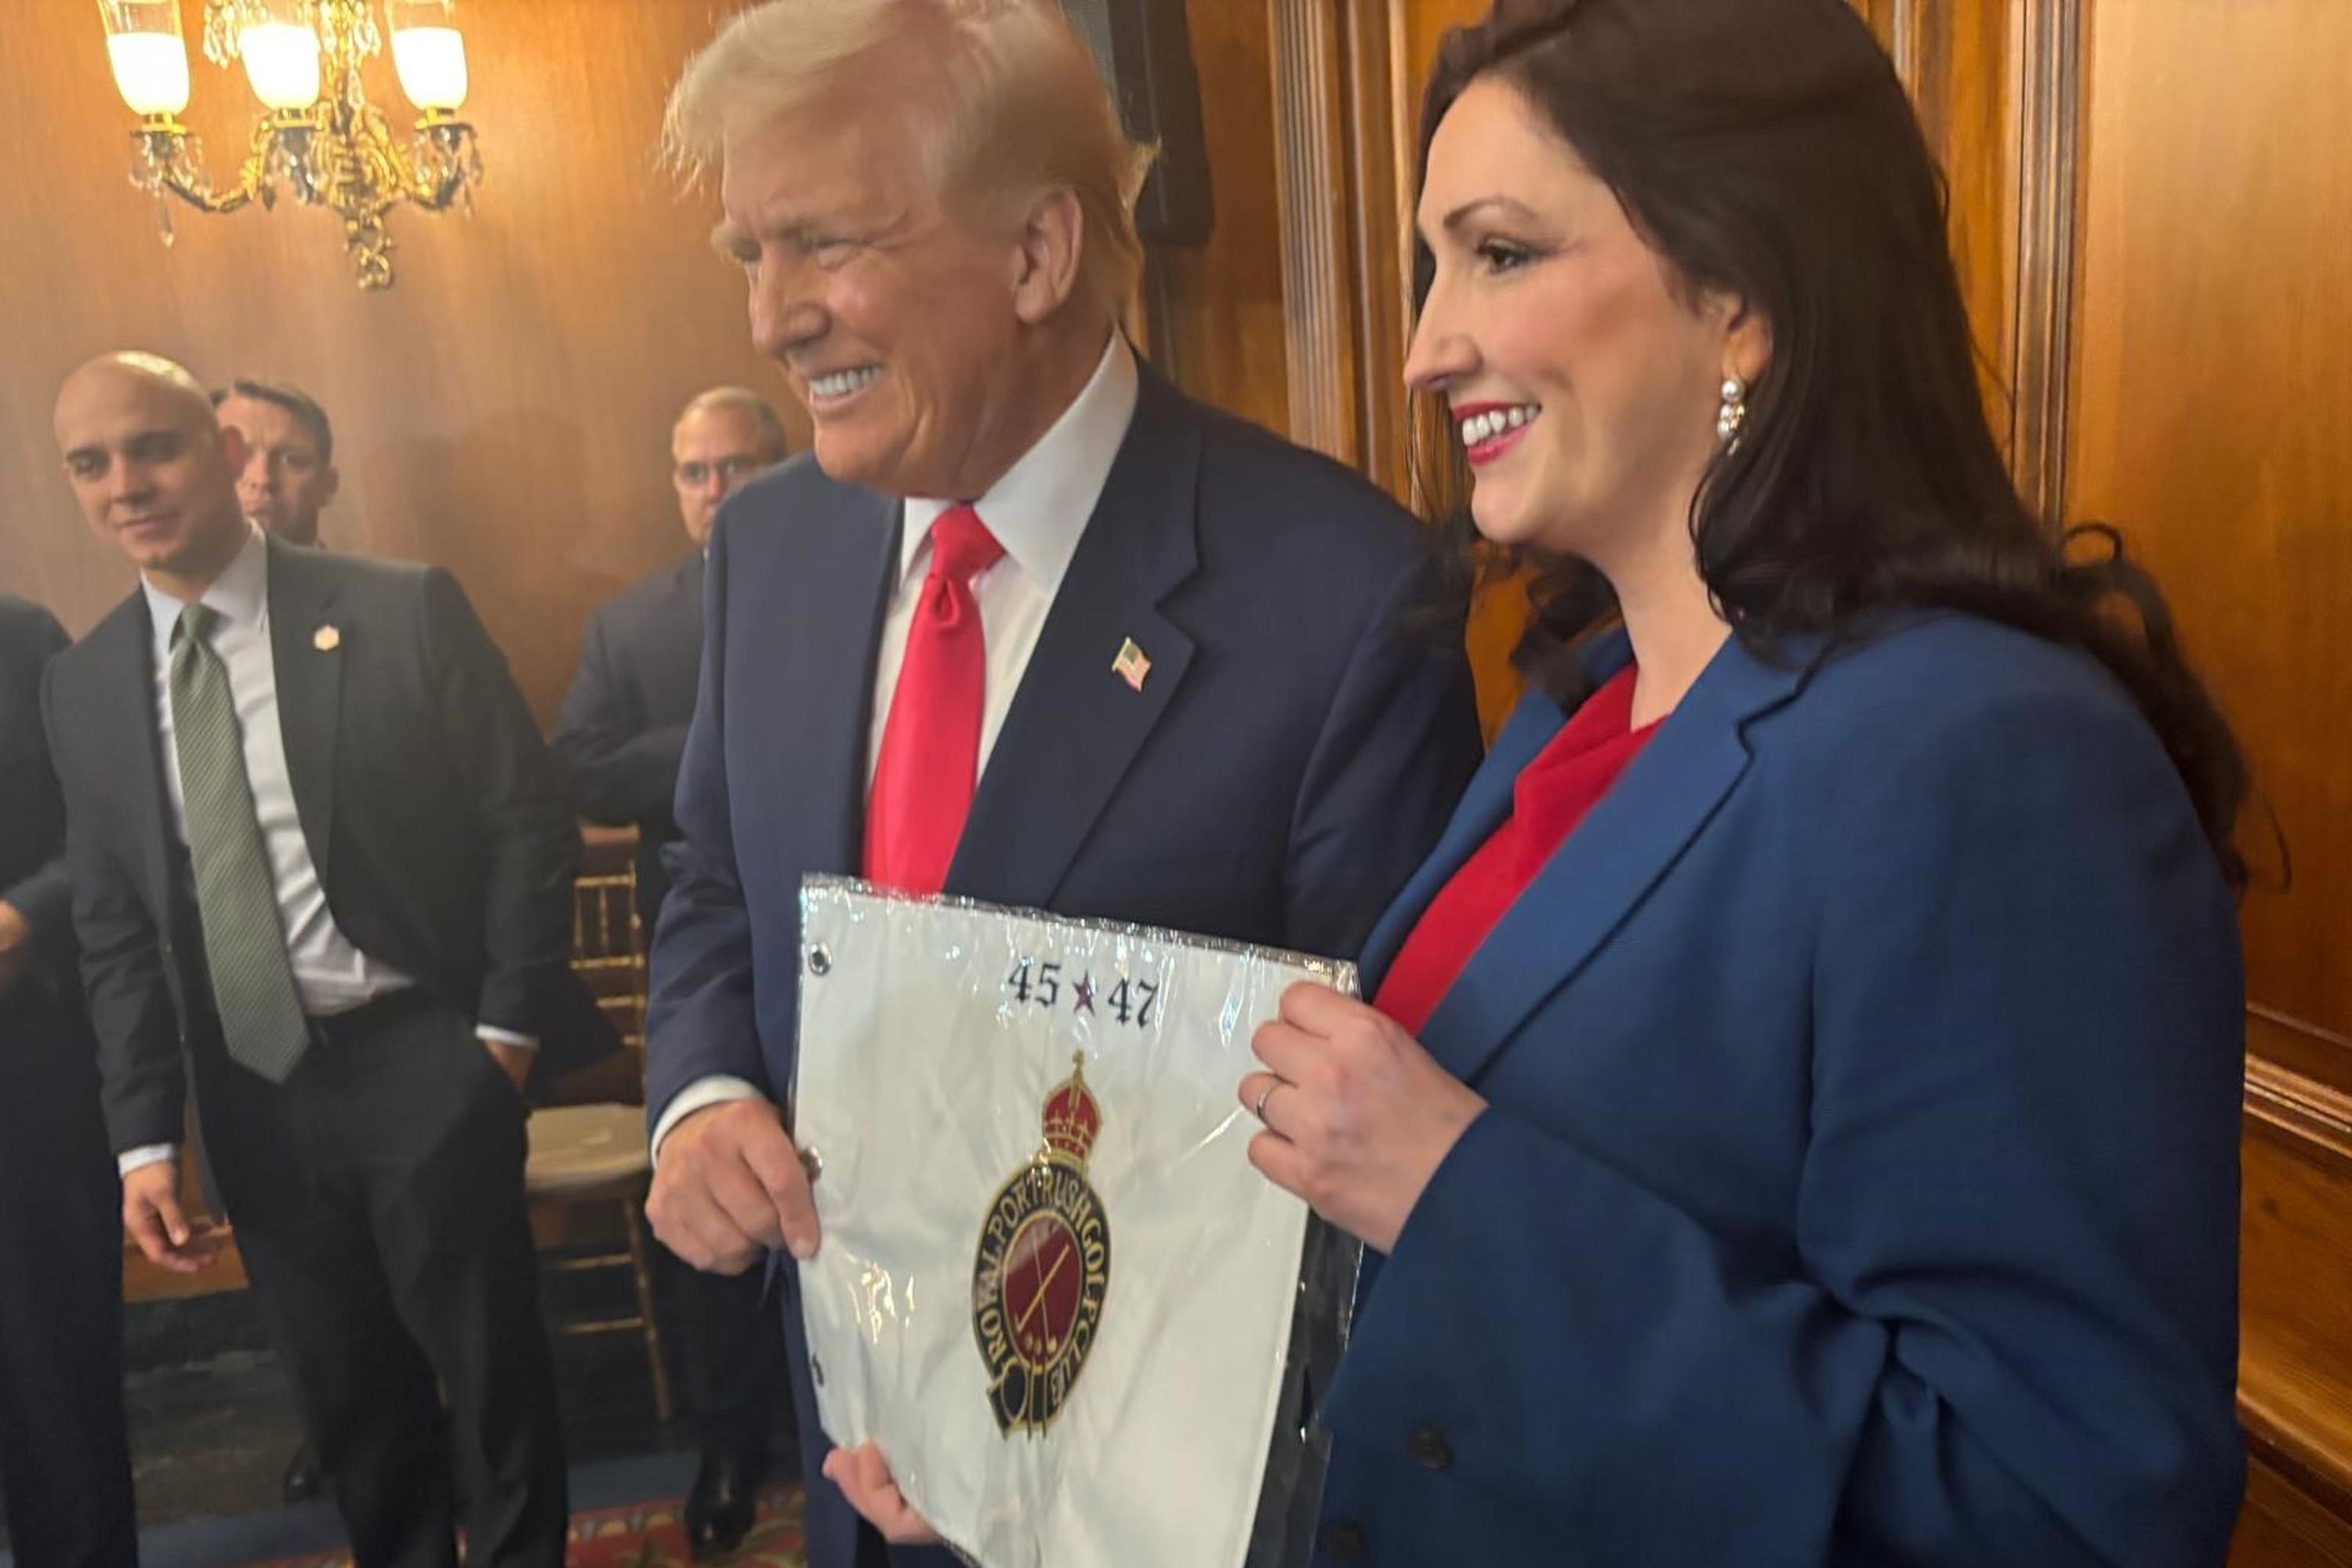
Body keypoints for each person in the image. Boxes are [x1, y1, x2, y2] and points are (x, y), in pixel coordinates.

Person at [1230, 2, 2251, 1564]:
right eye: (1433, 266)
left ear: (1744, 296)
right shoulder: (1575, 700)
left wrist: (1463, 1194)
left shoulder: (1993, 760)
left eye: (1499, 253)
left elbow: (2061, 1512)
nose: (1430, 344)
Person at [637, 2, 1483, 1564]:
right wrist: (701, 1097)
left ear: (1035, 254)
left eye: (822, 243)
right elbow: (709, 877)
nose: (771, 317)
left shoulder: (1340, 594)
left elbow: (1361, 1145)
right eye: (745, 252)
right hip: (845, 1442)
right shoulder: (770, 547)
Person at [44, 352, 615, 1568]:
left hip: (425, 1057)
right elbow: (110, 925)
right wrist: (146, 1139)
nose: (125, 485)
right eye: (89, 464)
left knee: (494, 1386)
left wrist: (502, 1039)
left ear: (226, 454)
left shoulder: (397, 606)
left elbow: (528, 819)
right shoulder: (84, 685)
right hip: (253, 1094)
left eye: (153, 447)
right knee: (352, 1404)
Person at [551, 386, 793, 1558]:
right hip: (707, 954)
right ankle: (729, 1439)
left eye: (737, 467)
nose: (715, 493)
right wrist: (725, 737)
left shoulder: (839, 580)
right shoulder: (630, 623)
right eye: (695, 472)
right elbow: (582, 769)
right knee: (712, 1199)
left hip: (851, 944)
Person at [0, 594, 140, 1568]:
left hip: (26, 1073)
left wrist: (21, 915)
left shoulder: (18, 638)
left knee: (57, 1390)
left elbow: (101, 827)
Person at [214, 377, 340, 547]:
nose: (262, 479)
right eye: (236, 455)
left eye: (292, 460)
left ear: (328, 486)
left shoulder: (371, 575)